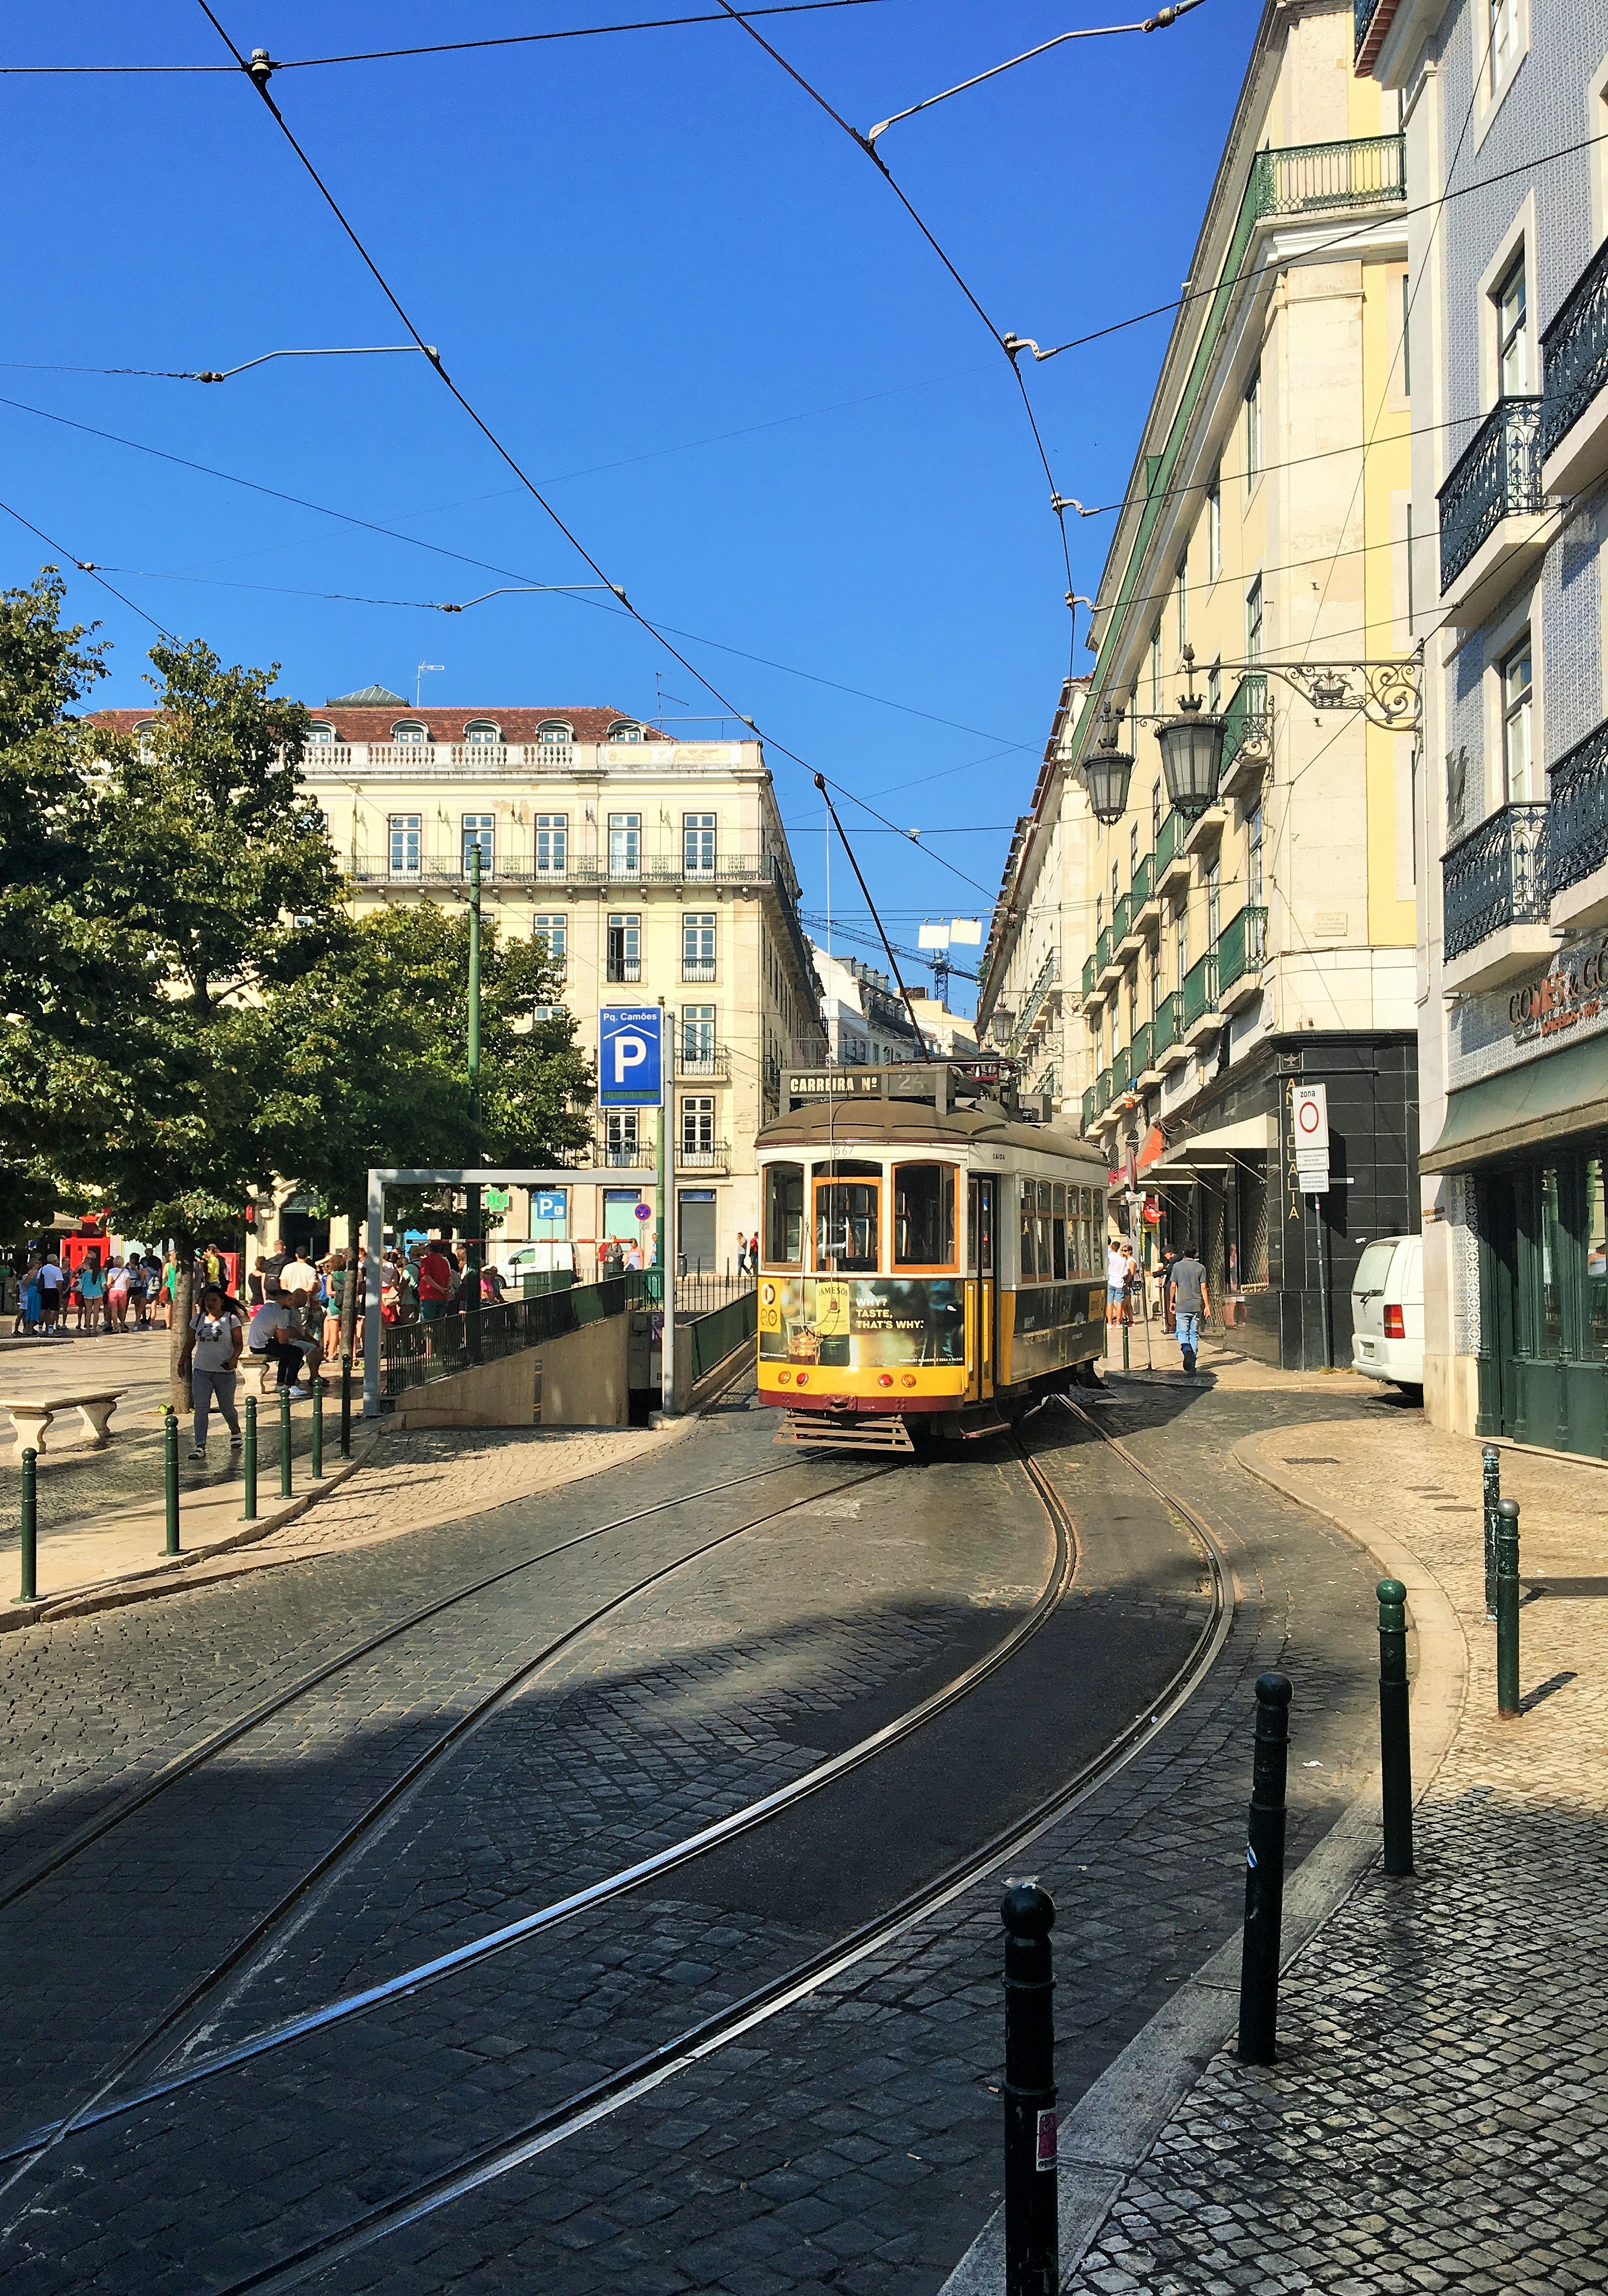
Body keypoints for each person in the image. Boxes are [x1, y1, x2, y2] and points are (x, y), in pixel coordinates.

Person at [186, 1283, 244, 1458]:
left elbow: (239, 1344)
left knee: (227, 1408)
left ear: (221, 1301)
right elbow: (189, 1343)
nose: (210, 1304)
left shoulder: (231, 1319)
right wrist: (182, 1362)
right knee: (201, 1408)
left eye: (214, 1300)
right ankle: (200, 1445)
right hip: (202, 1370)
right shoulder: (197, 1320)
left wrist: (233, 1359)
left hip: (224, 1372)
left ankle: (235, 1431)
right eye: (207, 1301)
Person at [1166, 1243, 1212, 1375]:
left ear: (1183, 1252)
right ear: (1195, 1253)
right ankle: (1192, 1363)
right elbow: (1204, 1288)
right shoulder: (1201, 1268)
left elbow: (1173, 1285)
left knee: (1182, 1333)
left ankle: (1187, 1351)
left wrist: (1171, 1301)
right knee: (1193, 1334)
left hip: (1182, 1305)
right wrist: (1207, 1306)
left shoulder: (1177, 1266)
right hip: (1196, 1306)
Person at [416, 1234, 455, 1323]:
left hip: (428, 1296)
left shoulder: (426, 1261)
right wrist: (447, 1289)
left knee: (427, 1323)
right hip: (442, 1297)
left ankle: (429, 1333)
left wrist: (440, 1288)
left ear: (430, 1249)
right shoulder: (444, 1262)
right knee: (439, 1322)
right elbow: (449, 1278)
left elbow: (427, 1278)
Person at [37, 1252, 64, 1335]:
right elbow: (59, 1283)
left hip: (45, 1291)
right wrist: (60, 1294)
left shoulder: (42, 1269)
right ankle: (50, 1329)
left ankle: (40, 1328)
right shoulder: (57, 1270)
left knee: (43, 1310)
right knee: (53, 1310)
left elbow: (38, 1280)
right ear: (55, 1260)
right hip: (53, 1290)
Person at [1106, 1235, 1130, 1328]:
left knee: (1109, 1303)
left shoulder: (1108, 1258)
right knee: (1119, 1302)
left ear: (1112, 1247)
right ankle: (1119, 1323)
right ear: (1118, 1249)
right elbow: (1125, 1272)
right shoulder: (1122, 1260)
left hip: (1110, 1281)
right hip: (1119, 1282)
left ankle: (1110, 1323)